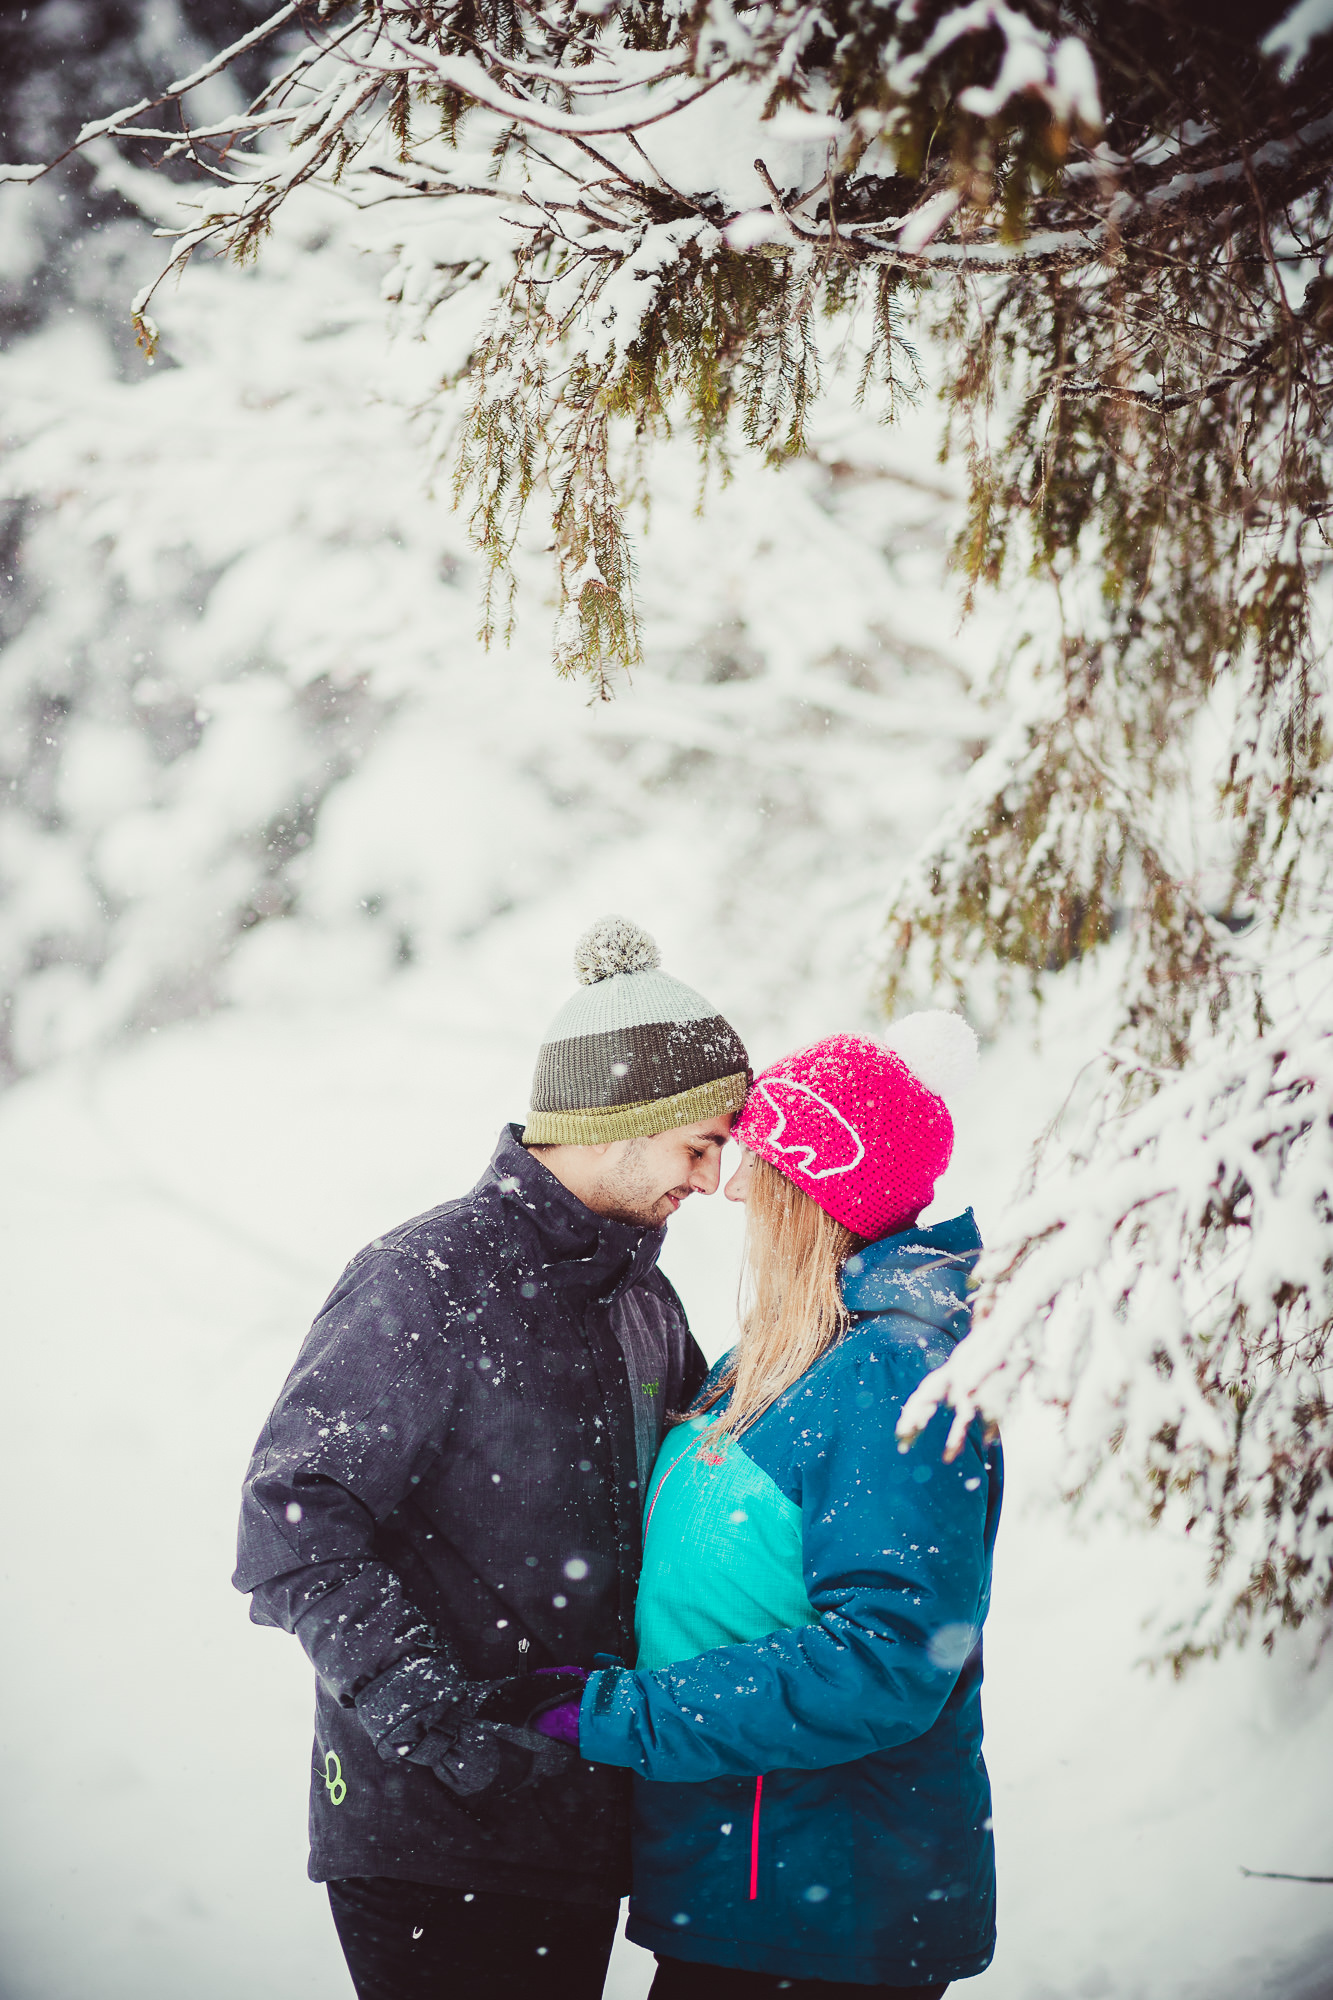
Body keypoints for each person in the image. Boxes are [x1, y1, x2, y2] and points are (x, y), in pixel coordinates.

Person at [232, 916, 750, 2000]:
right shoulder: (424, 1279)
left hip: (576, 1822)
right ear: (617, 1120)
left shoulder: (644, 1299)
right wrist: (438, 1722)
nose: (710, 1179)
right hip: (431, 1835)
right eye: (698, 1144)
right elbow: (292, 1519)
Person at [535, 1013, 1003, 1996]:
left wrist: (633, 1712)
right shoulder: (789, 1350)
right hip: (742, 1884)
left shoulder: (894, 1372)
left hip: (820, 1902)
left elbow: (889, 1654)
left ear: (820, 1191)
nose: (736, 1186)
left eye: (764, 1165)